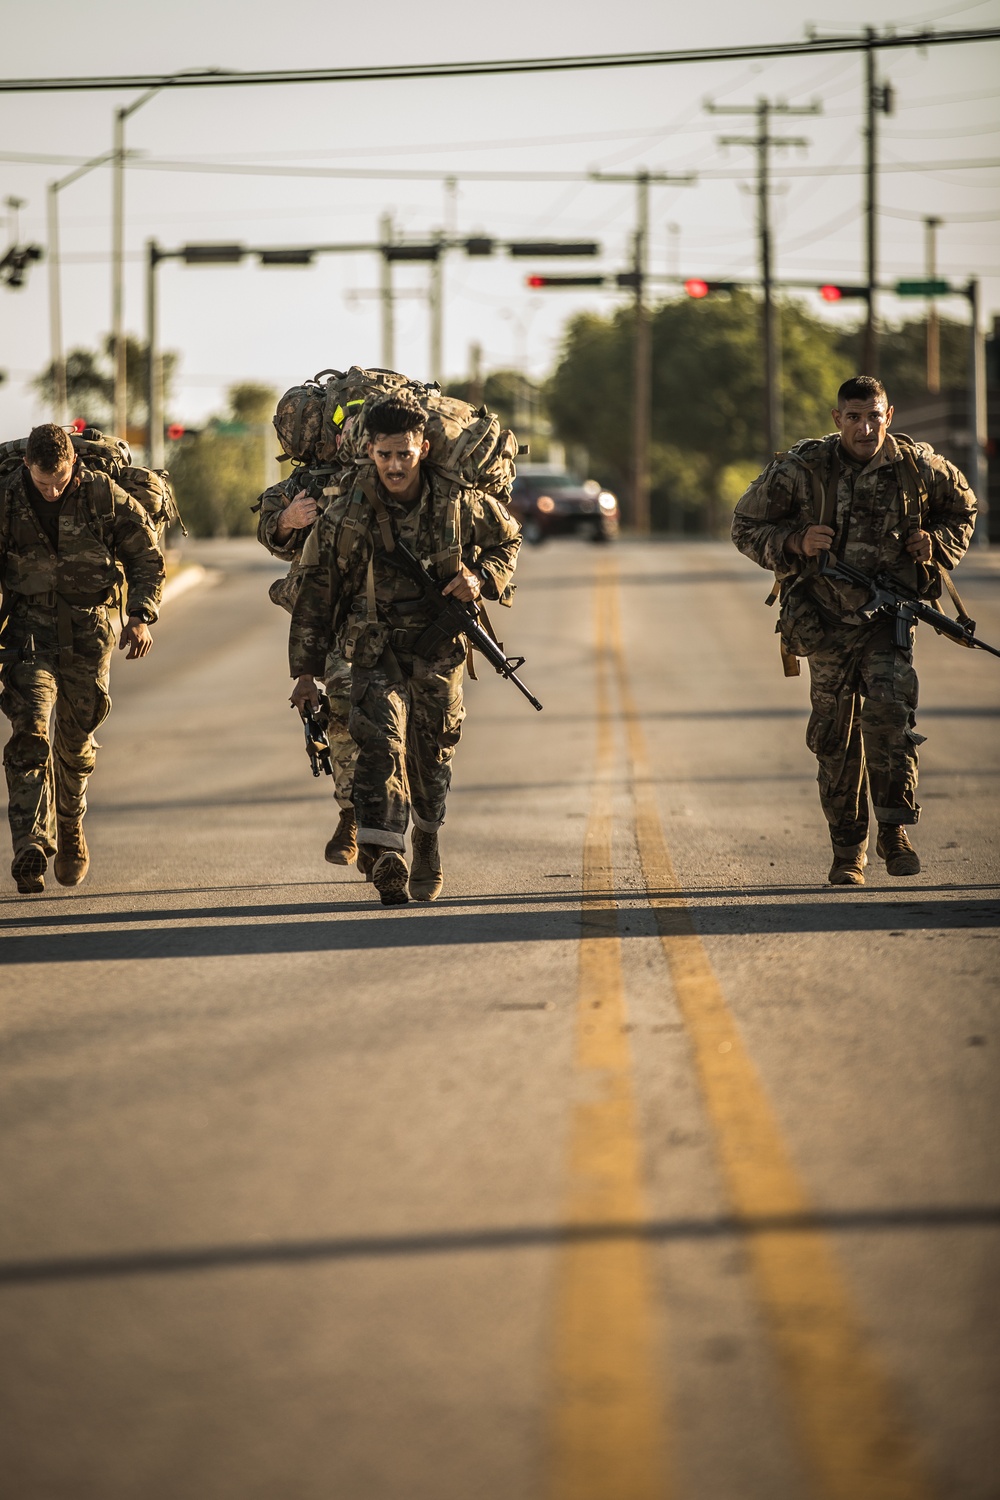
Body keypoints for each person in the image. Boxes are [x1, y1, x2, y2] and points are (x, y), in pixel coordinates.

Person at [732, 375, 977, 886]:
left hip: (889, 619)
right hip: (824, 622)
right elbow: (745, 526)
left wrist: (935, 542)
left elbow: (964, 509)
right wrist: (796, 540)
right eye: (854, 417)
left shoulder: (920, 468)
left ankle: (894, 830)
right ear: (837, 419)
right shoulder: (801, 469)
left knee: (889, 716)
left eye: (874, 416)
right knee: (836, 740)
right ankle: (848, 852)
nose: (866, 428)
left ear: (890, 415)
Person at [288, 393, 521, 906]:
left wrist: (479, 577)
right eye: (385, 455)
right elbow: (317, 590)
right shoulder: (347, 509)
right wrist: (306, 673)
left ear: (424, 447)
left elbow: (508, 539)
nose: (395, 465)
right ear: (369, 450)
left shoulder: (458, 501)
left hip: (439, 646)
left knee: (432, 749)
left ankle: (428, 839)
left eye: (405, 454)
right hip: (373, 645)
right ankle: (386, 849)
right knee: (379, 744)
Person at [0, 423, 164, 893]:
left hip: (87, 635)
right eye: (41, 481)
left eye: (59, 480)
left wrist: (140, 615)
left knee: (74, 744)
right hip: (28, 631)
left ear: (73, 461)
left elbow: (146, 556)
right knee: (29, 730)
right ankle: (31, 844)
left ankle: (70, 822)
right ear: (27, 467)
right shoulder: (7, 499)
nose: (51, 491)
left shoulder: (101, 495)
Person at [255, 469, 359, 866]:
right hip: (334, 619)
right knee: (346, 711)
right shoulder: (314, 481)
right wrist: (287, 521)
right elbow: (272, 535)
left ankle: (420, 830)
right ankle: (353, 816)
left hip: (403, 616)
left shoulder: (404, 474)